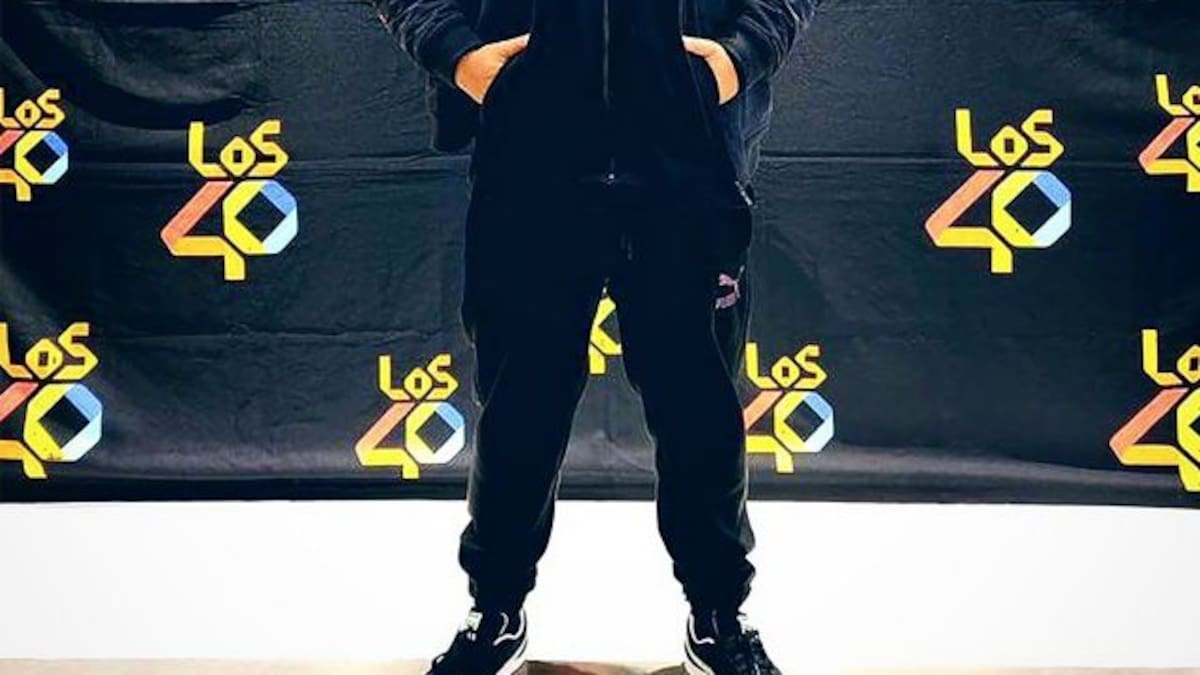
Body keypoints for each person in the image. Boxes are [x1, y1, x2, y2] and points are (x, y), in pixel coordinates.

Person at [371, 0, 816, 672]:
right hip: (531, 158)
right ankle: (495, 609)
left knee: (701, 414)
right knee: (518, 411)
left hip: (690, 161)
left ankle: (719, 614)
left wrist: (741, 55)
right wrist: (458, 54)